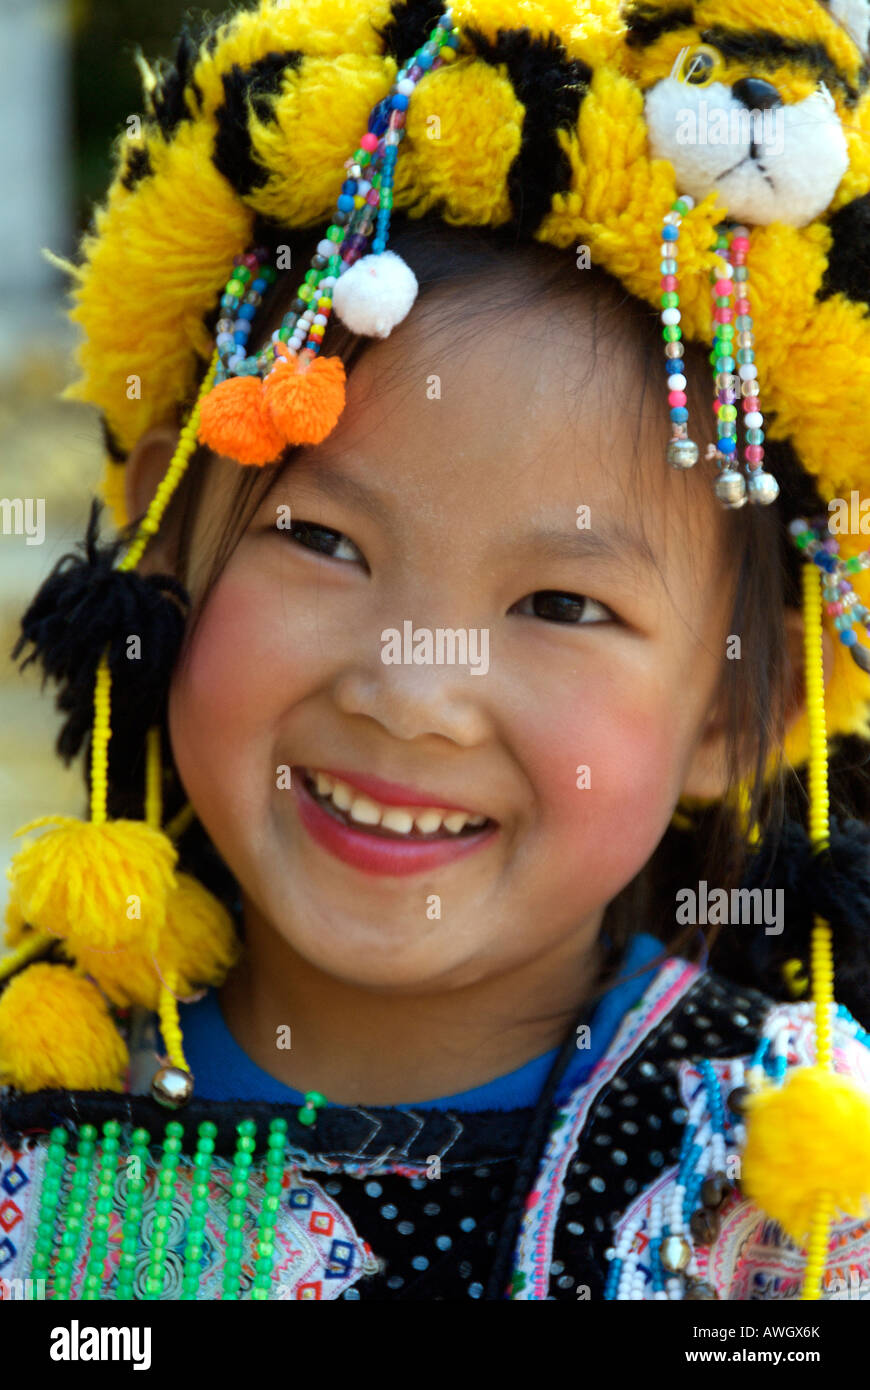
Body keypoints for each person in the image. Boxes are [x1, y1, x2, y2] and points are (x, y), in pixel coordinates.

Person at [1, 0, 870, 1302]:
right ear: (162, 537)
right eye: (324, 542)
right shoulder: (37, 1083)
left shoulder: (798, 1203)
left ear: (743, 710)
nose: (411, 695)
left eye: (563, 606)